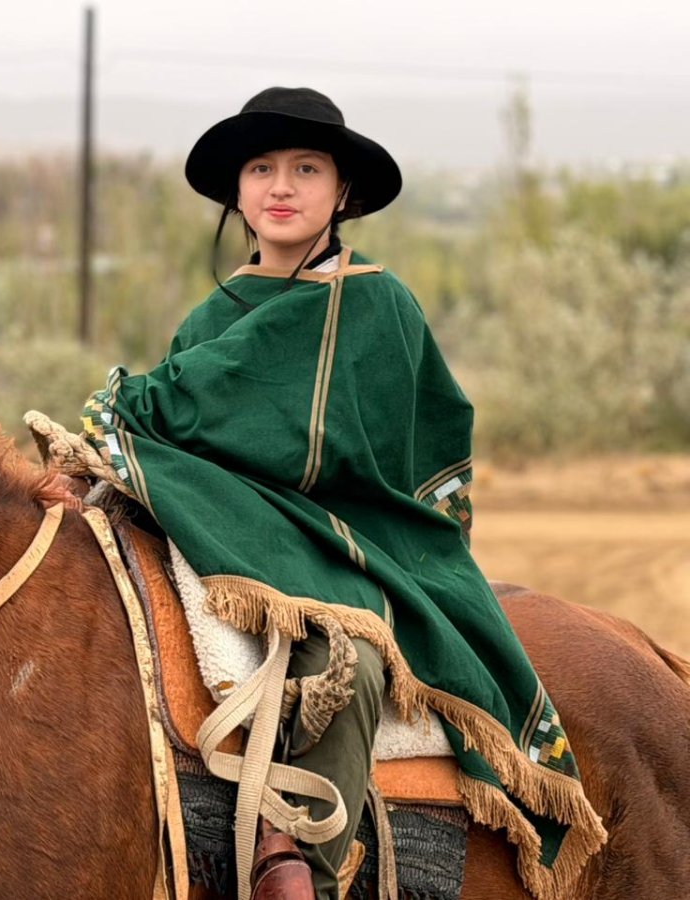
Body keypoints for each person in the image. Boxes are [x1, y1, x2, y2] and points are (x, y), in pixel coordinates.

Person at [73, 88, 606, 900]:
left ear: (342, 192)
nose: (280, 186)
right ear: (238, 193)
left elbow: (405, 452)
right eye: (261, 169)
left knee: (347, 660)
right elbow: (180, 434)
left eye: (305, 168)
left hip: (355, 534)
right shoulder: (212, 317)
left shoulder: (377, 303)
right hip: (216, 521)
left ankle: (308, 872)